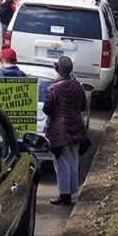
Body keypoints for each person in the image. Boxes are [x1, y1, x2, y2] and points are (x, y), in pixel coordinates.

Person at [43, 56, 88, 206]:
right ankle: (72, 189)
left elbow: (47, 109)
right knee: (73, 159)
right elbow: (83, 106)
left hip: (60, 129)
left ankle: (64, 194)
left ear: (57, 70)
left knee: (61, 162)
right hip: (76, 126)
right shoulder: (78, 86)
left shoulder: (53, 88)